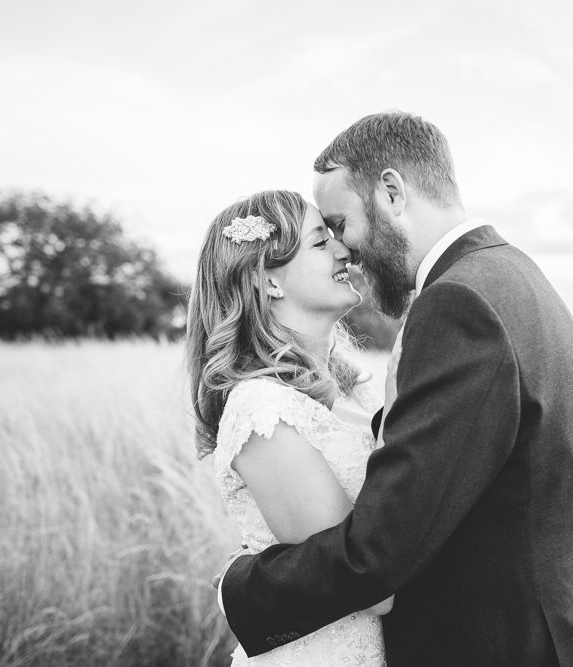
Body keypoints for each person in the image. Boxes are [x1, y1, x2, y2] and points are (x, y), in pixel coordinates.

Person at [216, 112, 573, 665]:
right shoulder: (510, 273)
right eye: (327, 236)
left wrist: (238, 589)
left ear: (390, 192)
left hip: (510, 646)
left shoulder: (457, 304)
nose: (346, 249)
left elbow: (377, 557)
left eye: (339, 223)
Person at [186, 190, 394, 664]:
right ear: (267, 281)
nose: (346, 250)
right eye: (321, 243)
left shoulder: (354, 387)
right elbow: (369, 587)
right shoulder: (263, 411)